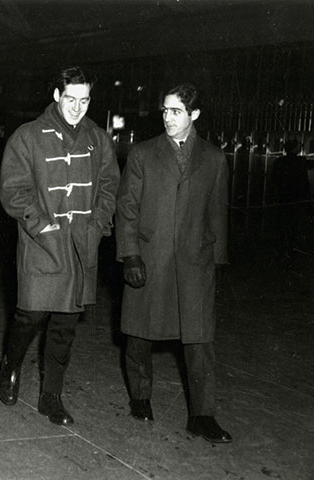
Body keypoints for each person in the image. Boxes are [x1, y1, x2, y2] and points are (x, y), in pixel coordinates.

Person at [0, 66, 120, 425]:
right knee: (30, 314)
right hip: (42, 244)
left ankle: (51, 396)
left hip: (82, 246)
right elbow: (13, 191)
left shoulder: (98, 139)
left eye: (84, 101)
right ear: (56, 95)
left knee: (65, 326)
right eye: (70, 99)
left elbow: (111, 187)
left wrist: (97, 225)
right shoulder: (28, 136)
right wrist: (42, 224)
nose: (77, 108)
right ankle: (11, 363)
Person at [115, 83, 232, 443]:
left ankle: (202, 414)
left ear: (194, 115)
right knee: (140, 333)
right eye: (164, 110)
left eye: (176, 111)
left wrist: (217, 262)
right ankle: (140, 396)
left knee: (200, 340)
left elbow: (218, 213)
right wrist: (130, 254)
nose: (167, 117)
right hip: (150, 258)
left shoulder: (213, 158)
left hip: (196, 263)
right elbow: (127, 209)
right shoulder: (143, 154)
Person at [273, 139, 313, 254]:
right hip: (298, 198)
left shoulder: (279, 161)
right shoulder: (301, 161)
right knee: (294, 222)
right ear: (295, 149)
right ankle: (292, 245)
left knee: (282, 222)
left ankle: (282, 245)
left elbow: (274, 179)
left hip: (283, 197)